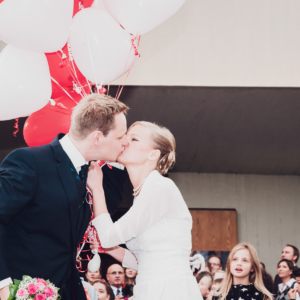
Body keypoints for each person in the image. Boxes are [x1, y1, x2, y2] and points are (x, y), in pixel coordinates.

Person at [0, 94, 129, 300]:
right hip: (21, 290)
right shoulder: (29, 162)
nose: (125, 142)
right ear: (96, 138)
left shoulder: (92, 174)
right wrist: (3, 286)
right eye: (120, 136)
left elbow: (105, 211)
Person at [88, 121, 202, 300]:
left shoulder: (160, 188)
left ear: (153, 154)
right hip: (148, 288)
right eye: (125, 137)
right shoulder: (143, 194)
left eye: (134, 139)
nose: (124, 142)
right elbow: (144, 261)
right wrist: (109, 250)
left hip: (170, 290)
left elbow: (108, 236)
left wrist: (97, 188)